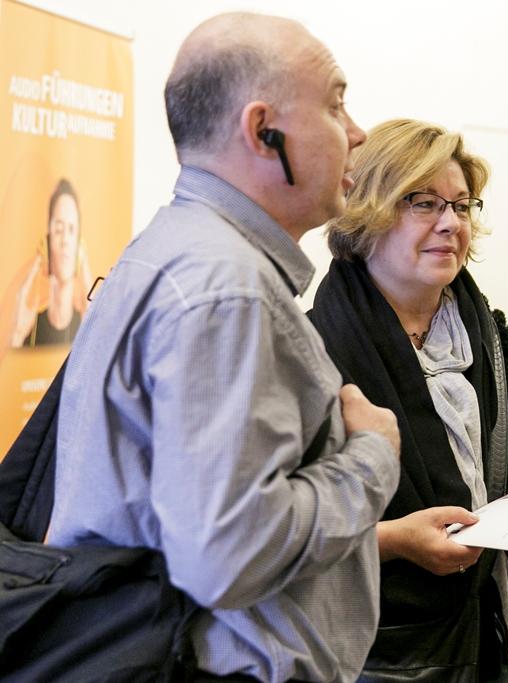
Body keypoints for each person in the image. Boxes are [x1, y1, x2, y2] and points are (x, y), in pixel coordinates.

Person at [47, 12, 401, 683]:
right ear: (262, 131)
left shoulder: (171, 251)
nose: (356, 132)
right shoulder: (227, 290)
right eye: (335, 103)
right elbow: (228, 554)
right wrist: (373, 457)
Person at [307, 118, 508, 682]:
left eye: (462, 205)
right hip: (378, 655)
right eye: (424, 203)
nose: (451, 223)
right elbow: (267, 536)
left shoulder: (495, 341)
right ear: (368, 211)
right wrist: (395, 542)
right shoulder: (309, 354)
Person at [10, 178, 91, 347]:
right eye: (59, 230)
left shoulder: (87, 323)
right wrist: (17, 335)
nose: (65, 241)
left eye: (71, 230)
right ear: (46, 242)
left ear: (79, 246)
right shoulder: (28, 328)